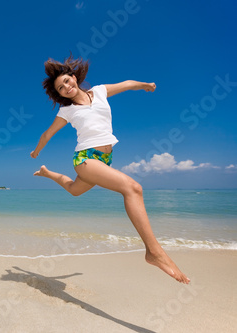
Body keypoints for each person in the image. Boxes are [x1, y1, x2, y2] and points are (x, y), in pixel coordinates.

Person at [31, 53, 190, 284]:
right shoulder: (67, 111)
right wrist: (36, 151)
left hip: (105, 160)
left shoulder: (100, 91)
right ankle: (154, 252)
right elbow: (47, 133)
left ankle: (47, 173)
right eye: (60, 88)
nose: (66, 87)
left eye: (67, 81)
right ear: (58, 94)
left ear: (74, 78)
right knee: (133, 188)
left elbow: (125, 85)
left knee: (75, 190)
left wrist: (145, 85)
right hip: (85, 159)